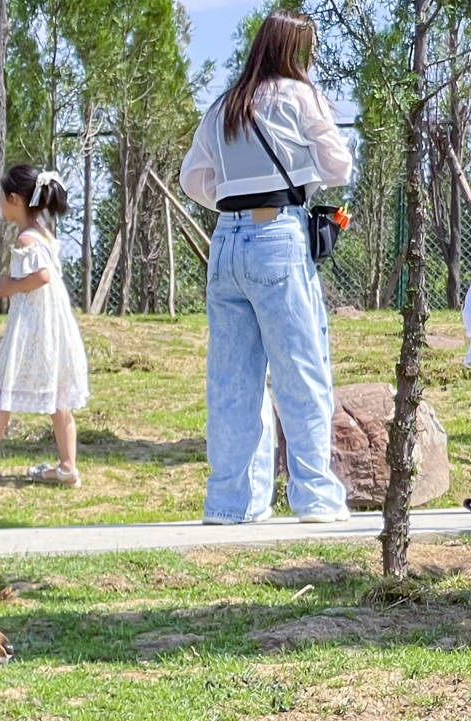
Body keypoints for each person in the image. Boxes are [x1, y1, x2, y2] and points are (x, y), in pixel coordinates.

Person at [180, 10, 353, 524]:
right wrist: (300, 182)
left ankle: (232, 503)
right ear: (294, 51)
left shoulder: (223, 104)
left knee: (233, 379)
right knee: (301, 369)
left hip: (226, 243)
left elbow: (193, 178)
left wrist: (231, 200)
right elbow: (339, 164)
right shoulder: (300, 97)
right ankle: (316, 496)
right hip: (278, 233)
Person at [0, 165, 90, 488]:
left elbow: (41, 277)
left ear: (14, 199)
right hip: (52, 326)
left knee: (2, 393)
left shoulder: (26, 239)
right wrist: (1, 289)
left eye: (1, 197)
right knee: (58, 396)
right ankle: (67, 468)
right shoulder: (44, 234)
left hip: (33, 328)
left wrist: (6, 286)